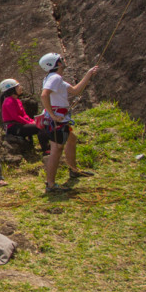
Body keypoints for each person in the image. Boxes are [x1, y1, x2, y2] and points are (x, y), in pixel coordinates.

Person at [38, 53, 98, 193]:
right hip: (57, 120)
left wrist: (88, 74)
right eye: (61, 60)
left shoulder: (54, 79)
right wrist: (52, 114)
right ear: (57, 63)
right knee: (56, 149)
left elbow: (76, 91)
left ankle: (73, 170)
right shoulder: (55, 78)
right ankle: (50, 184)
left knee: (72, 139)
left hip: (60, 119)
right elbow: (44, 95)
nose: (63, 61)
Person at [0, 79, 50, 154]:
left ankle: (47, 147)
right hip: (13, 127)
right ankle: (46, 149)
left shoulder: (17, 100)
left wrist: (31, 121)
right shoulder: (8, 101)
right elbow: (16, 117)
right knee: (39, 127)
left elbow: (24, 115)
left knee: (41, 124)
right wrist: (30, 123)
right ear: (12, 89)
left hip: (19, 125)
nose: (20, 88)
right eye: (18, 87)